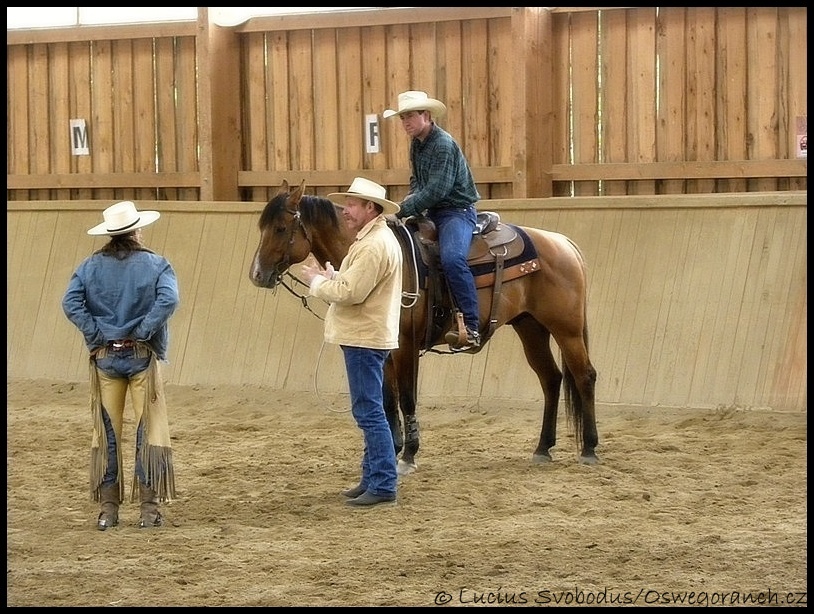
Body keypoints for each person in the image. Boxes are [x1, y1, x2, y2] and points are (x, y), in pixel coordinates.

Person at [62, 200, 180, 531]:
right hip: (142, 355)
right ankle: (148, 509)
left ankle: (108, 510)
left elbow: (70, 302)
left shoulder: (89, 266)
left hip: (104, 358)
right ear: (136, 231)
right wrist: (143, 330)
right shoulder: (157, 264)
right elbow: (169, 299)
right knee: (148, 429)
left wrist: (95, 333)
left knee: (107, 432)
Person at [300, 177, 403, 508]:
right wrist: (333, 277)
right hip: (368, 334)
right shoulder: (374, 241)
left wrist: (318, 282)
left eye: (353, 204)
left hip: (364, 337)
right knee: (371, 409)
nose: (345, 210)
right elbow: (353, 285)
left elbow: (350, 293)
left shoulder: (372, 246)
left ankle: (383, 482)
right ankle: (373, 478)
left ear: (370, 208)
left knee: (368, 410)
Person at [383, 90, 482, 352]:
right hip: (430, 211)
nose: (406, 122)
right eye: (403, 117)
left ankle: (472, 325)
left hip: (456, 211)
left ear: (426, 115)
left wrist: (403, 209)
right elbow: (417, 182)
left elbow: (438, 189)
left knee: (452, 258)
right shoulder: (417, 143)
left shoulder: (443, 144)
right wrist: (408, 204)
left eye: (410, 116)